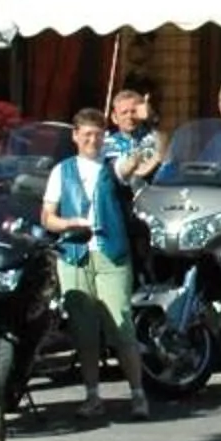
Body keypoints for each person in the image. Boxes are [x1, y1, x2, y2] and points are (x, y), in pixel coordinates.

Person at [40, 107, 147, 422]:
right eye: (86, 134)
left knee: (121, 323)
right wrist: (67, 224)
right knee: (84, 330)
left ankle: (138, 393)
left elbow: (131, 164)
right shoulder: (62, 171)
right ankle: (92, 395)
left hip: (111, 253)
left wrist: (142, 130)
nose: (92, 141)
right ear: (74, 136)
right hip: (74, 253)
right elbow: (47, 215)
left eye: (98, 135)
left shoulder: (112, 167)